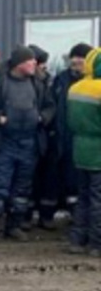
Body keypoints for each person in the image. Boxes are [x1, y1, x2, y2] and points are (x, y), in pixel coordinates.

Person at [0, 46, 55, 245]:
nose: (34, 64)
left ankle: (14, 226)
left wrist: (42, 117)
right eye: (30, 61)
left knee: (22, 190)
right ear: (20, 63)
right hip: (3, 143)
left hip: (29, 143)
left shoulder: (38, 83)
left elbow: (50, 106)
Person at [41, 43, 92, 230]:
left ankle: (76, 218)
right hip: (57, 138)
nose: (76, 60)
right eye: (74, 56)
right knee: (51, 179)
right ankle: (46, 216)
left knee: (75, 181)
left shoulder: (91, 83)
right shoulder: (60, 80)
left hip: (78, 140)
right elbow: (50, 105)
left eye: (81, 57)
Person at [66, 47, 101, 257]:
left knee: (83, 197)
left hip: (80, 150)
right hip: (98, 152)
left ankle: (77, 240)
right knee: (99, 200)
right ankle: (96, 244)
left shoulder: (75, 88)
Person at [27, 44, 55, 229]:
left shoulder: (48, 82)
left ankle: (45, 216)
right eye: (41, 63)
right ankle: (24, 217)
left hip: (44, 138)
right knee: (27, 180)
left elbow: (51, 106)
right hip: (26, 138)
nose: (44, 67)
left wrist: (42, 118)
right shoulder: (20, 82)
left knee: (47, 179)